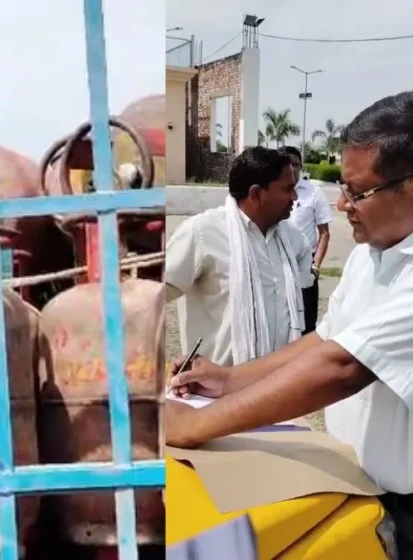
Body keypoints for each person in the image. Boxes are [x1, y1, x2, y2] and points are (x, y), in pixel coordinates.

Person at [166, 90, 413, 557]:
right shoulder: (370, 255)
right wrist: (229, 380)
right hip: (351, 482)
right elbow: (326, 339)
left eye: (356, 192)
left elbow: (341, 366)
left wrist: (194, 426)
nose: (341, 205)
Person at [165, 146, 314, 366]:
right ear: (256, 194)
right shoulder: (203, 232)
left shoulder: (293, 239)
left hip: (279, 379)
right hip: (214, 381)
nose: (295, 197)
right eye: (288, 189)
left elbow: (304, 291)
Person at [284, 145, 333, 333]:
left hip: (305, 263)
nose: (292, 168)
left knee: (307, 322)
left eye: (296, 164)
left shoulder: (314, 192)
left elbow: (324, 233)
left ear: (301, 167)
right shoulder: (272, 191)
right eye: (287, 164)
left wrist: (316, 266)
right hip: (278, 261)